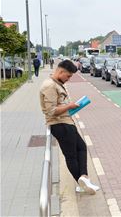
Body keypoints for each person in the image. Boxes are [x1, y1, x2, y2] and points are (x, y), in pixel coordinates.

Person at [39, 60, 99, 194]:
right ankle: (82, 183)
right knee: (71, 155)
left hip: (66, 122)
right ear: (61, 71)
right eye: (68, 76)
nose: (69, 79)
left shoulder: (56, 84)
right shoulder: (49, 86)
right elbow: (51, 111)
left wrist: (70, 107)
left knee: (81, 148)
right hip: (60, 124)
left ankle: (84, 179)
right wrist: (70, 106)